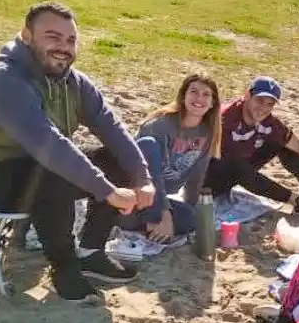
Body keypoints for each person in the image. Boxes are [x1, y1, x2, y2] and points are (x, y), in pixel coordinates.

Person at [0, 1, 154, 301]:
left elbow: (111, 126)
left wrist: (141, 177)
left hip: (35, 170)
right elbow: (47, 144)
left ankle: (90, 252)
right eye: (53, 36)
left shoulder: (72, 81)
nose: (64, 47)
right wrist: (107, 191)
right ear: (26, 36)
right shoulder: (4, 80)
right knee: (53, 169)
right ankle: (65, 268)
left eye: (71, 40)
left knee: (112, 159)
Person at [85, 74, 220, 245]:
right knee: (147, 145)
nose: (199, 98)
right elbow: (149, 175)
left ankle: (142, 222)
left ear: (213, 102)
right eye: (194, 91)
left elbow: (196, 178)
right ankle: (130, 218)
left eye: (206, 94)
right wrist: (165, 215)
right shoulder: (159, 126)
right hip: (133, 189)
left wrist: (189, 210)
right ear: (183, 96)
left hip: (155, 200)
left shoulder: (207, 132)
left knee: (190, 219)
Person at [205, 76, 299, 217]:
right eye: (259, 100)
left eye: (270, 104)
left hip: (237, 169)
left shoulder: (268, 121)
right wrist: (290, 197)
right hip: (207, 181)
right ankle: (296, 201)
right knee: (236, 164)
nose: (263, 108)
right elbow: (231, 166)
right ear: (247, 95)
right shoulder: (225, 119)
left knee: (282, 144)